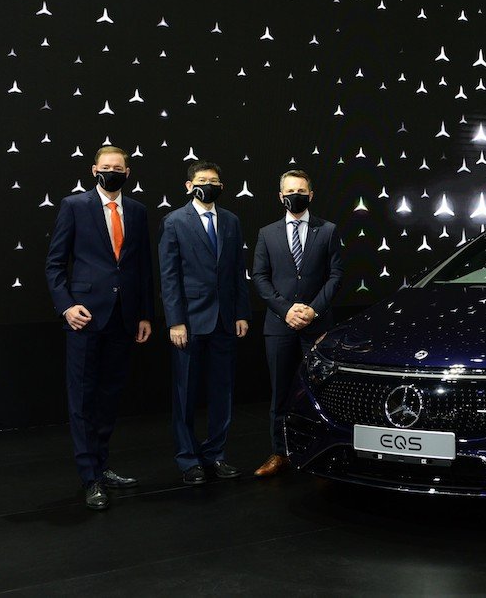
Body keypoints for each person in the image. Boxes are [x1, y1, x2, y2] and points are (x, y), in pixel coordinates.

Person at [45, 146, 154, 510]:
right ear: (94, 170)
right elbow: (55, 264)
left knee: (109, 397)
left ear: (128, 172)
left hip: (123, 319)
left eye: (118, 167)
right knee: (82, 399)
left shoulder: (137, 211)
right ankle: (89, 476)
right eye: (106, 166)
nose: (112, 171)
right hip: (86, 318)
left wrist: (144, 314)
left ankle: (102, 466)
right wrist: (66, 306)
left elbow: (143, 267)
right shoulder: (74, 206)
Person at [158, 161, 251, 485]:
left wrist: (241, 313)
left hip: (225, 320)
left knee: (222, 391)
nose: (207, 185)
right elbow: (169, 277)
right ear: (189, 186)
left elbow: (237, 271)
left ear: (221, 187)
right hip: (189, 322)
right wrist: (175, 322)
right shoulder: (174, 221)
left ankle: (216, 454)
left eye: (213, 180)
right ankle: (188, 460)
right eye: (201, 180)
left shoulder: (231, 221)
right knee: (185, 394)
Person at [252, 170, 343, 477]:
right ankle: (280, 454)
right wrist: (286, 310)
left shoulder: (328, 230)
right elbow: (260, 278)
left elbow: (336, 276)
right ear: (281, 196)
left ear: (311, 195)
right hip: (279, 326)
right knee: (280, 394)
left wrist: (313, 311)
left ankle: (321, 456)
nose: (296, 195)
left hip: (317, 327)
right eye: (290, 191)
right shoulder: (267, 233)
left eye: (301, 191)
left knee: (319, 393)